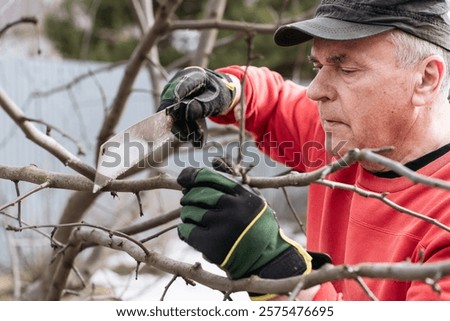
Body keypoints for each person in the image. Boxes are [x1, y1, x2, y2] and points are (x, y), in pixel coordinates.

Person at [158, 0, 450, 300]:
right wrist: (227, 88)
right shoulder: (348, 138)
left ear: (426, 79)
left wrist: (277, 268)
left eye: (346, 68)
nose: (315, 89)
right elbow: (275, 103)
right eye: (318, 66)